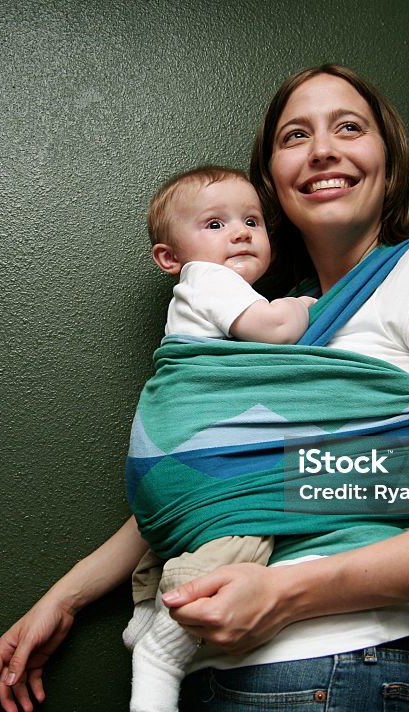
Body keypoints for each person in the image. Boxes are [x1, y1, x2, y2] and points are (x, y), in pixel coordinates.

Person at [0, 64, 409, 712]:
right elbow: (219, 480)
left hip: (337, 667)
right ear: (273, 182)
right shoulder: (280, 316)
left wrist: (285, 594)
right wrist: (65, 596)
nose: (322, 148)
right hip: (206, 673)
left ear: (389, 159)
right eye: (296, 135)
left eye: (349, 127)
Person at [125, 164, 316, 712]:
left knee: (178, 540)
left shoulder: (203, 293)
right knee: (241, 531)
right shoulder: (211, 281)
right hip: (192, 444)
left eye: (251, 220)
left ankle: (143, 612)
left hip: (162, 462)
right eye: (215, 224)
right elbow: (275, 332)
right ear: (170, 258)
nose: (239, 232)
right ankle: (162, 646)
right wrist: (300, 307)